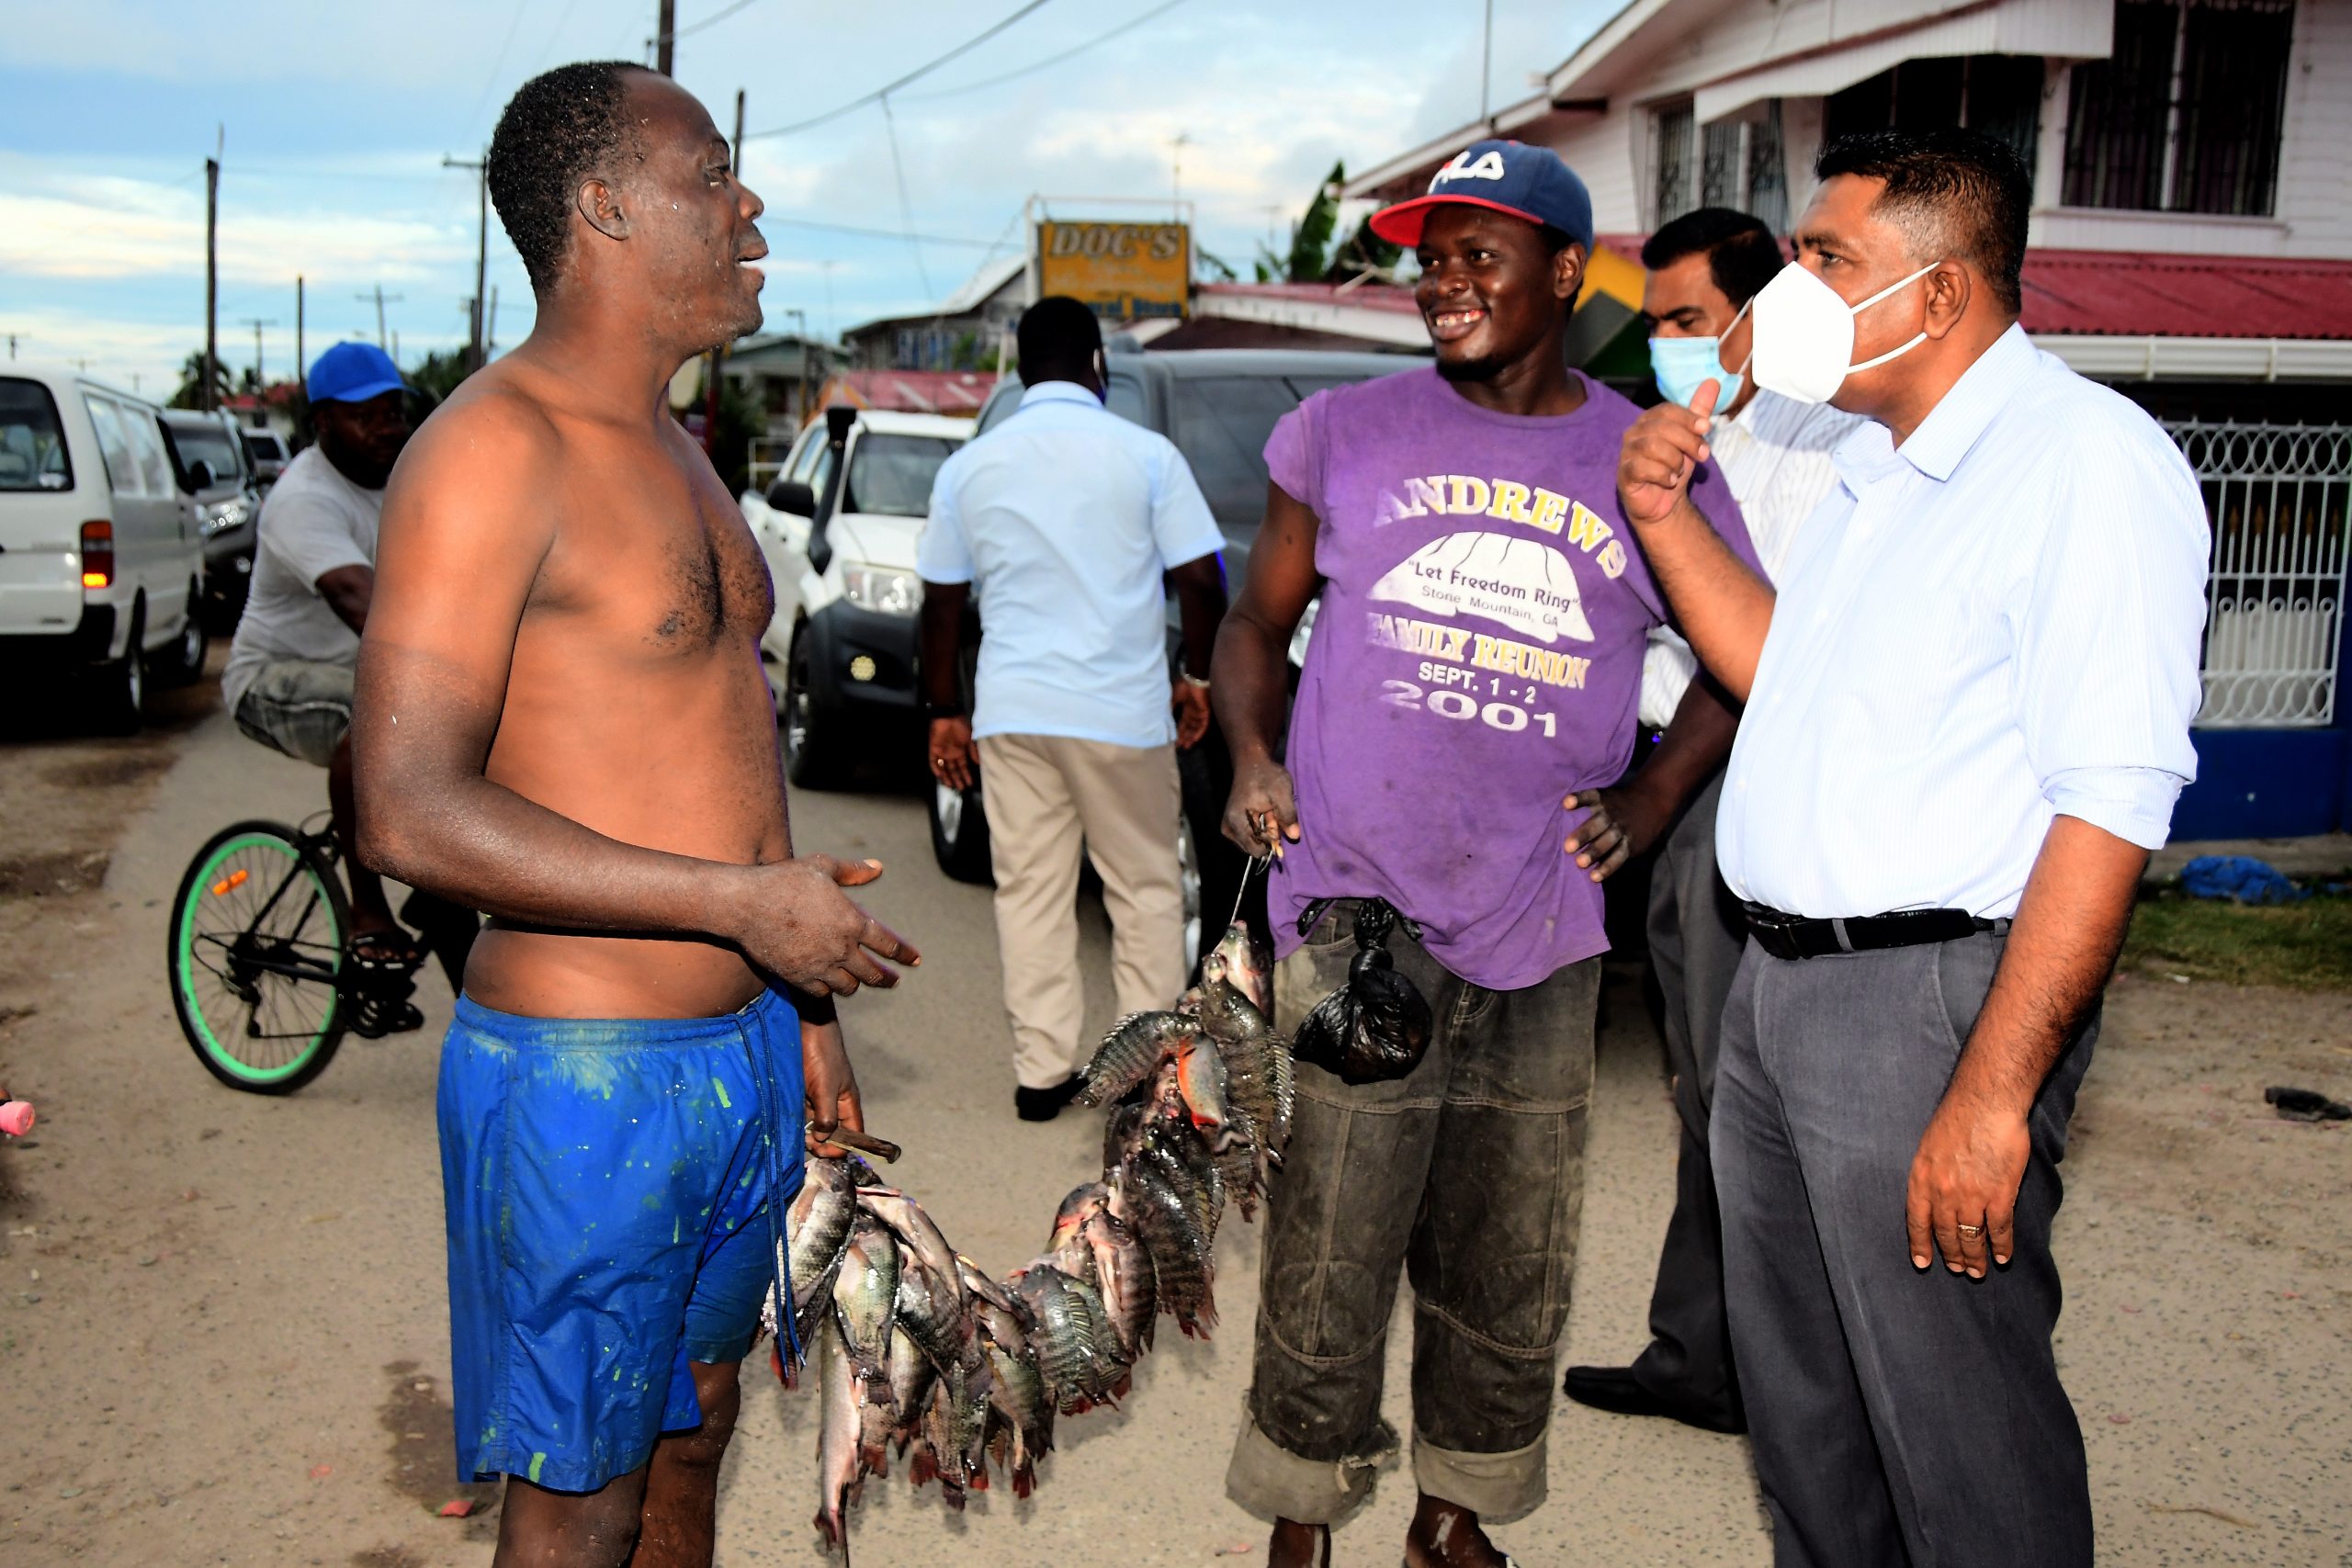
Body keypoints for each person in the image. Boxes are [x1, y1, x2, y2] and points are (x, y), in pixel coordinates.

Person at [350, 62, 917, 1568]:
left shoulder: (681, 450)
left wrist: (799, 1003)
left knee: (699, 1416)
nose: (750, 204)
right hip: (583, 1084)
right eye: (711, 173)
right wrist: (734, 906)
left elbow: (725, 740)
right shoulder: (488, 453)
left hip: (733, 1058)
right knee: (576, 1495)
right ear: (601, 206)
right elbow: (404, 810)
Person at [1615, 128, 2207, 1566]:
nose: (1791, 285)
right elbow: (1776, 665)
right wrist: (1662, 515)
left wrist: (1993, 1096)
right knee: (1811, 1417)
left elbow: (2109, 802)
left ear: (1937, 296)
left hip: (1924, 1005)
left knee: (1956, 1428)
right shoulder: (1875, 464)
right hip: (1782, 989)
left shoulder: (2083, 465)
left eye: (1827, 258)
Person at [1214, 140, 1758, 1568]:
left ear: (1568, 275)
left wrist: (1647, 803)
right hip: (1356, 912)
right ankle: (1304, 1513)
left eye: (1478, 255)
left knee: (1508, 1248)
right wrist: (1253, 756)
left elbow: (1742, 651)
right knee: (1333, 1233)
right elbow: (1250, 626)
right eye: (1429, 259)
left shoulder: (1642, 453)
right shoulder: (1341, 429)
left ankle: (1453, 1513)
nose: (1443, 283)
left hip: (1542, 917)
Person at [1562, 207, 1859, 1436]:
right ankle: (1700, 1350)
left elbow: (1754, 645)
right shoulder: (1704, 432)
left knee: (1750, 1090)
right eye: (1662, 322)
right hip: (1677, 773)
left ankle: (1787, 1378)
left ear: (1764, 311)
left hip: (1734, 775)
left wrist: (1652, 798)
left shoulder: (1803, 439)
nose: (1673, 345)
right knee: (1705, 1080)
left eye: (1692, 319)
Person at [916, 296, 1227, 1122]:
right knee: (1146, 891)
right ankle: (1141, 1074)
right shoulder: (1147, 455)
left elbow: (941, 601)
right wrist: (1195, 676)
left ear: (1019, 372)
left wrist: (943, 708)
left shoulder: (971, 466)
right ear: (1098, 363)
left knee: (1030, 892)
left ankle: (1041, 1074)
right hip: (1120, 713)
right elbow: (1202, 578)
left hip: (1013, 713)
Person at [222, 342, 471, 1021]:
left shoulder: (403, 477)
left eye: (396, 410)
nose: (389, 426)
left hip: (364, 668)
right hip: (269, 680)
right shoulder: (303, 499)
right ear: (324, 421)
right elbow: (363, 603)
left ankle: (471, 987)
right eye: (369, 415)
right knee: (374, 717)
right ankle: (365, 907)